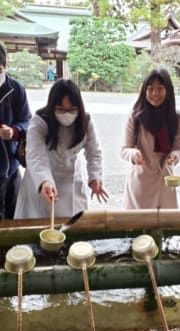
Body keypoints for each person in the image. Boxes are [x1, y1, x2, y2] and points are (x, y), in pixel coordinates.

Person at [14, 79, 108, 218]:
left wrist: (95, 177)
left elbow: (94, 152)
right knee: (38, 231)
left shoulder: (85, 121)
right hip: (40, 182)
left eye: (71, 110)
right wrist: (44, 181)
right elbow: (35, 156)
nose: (66, 114)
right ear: (52, 107)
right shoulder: (40, 121)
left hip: (71, 184)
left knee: (72, 229)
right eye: (61, 109)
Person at [121, 68, 180, 209]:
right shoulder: (136, 117)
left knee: (163, 227)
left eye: (160, 88)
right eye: (150, 89)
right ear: (144, 91)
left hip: (165, 182)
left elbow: (177, 147)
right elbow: (124, 149)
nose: (155, 93)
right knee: (139, 228)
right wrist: (133, 154)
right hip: (141, 182)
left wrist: (175, 155)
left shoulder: (177, 118)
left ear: (168, 90)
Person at [0, 42, 32, 219]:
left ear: (5, 66)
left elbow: (27, 120)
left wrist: (14, 131)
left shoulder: (16, 89)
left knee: (14, 215)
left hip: (11, 167)